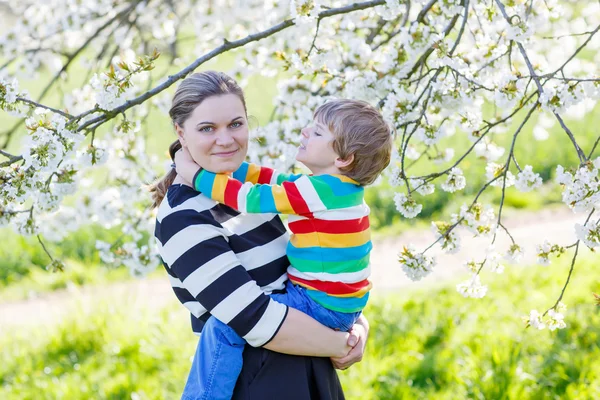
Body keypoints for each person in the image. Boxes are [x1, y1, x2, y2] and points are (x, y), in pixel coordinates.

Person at [150, 71, 370, 400]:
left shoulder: (250, 193)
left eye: (235, 124)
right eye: (208, 128)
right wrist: (342, 342)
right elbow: (253, 319)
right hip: (256, 381)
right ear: (181, 134)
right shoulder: (185, 216)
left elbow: (311, 277)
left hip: (311, 370)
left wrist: (357, 326)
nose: (225, 139)